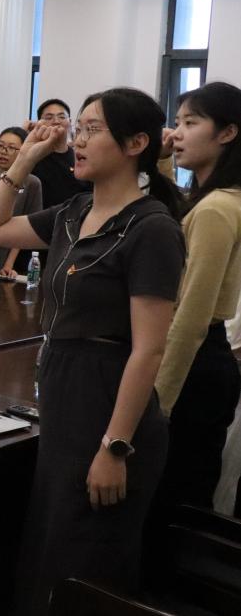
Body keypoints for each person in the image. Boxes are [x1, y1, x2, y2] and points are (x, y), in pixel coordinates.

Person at [0, 87, 184, 615]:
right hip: (65, 394)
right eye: (79, 129)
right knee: (49, 548)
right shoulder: (74, 210)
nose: (78, 141)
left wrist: (115, 447)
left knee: (88, 560)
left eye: (93, 130)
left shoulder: (152, 228)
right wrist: (25, 158)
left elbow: (148, 351)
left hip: (109, 403)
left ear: (136, 144)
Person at [152, 82, 241, 514]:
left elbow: (191, 316)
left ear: (227, 133)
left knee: (173, 498)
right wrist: (162, 161)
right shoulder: (216, 199)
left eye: (191, 122)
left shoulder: (216, 209)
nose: (177, 133)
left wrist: (158, 402)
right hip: (207, 361)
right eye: (177, 122)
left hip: (196, 363)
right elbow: (176, 214)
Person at [32, 98, 92, 207]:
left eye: (62, 117)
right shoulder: (33, 157)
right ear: (39, 123)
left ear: (70, 121)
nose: (56, 121)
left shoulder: (80, 157)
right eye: (49, 117)